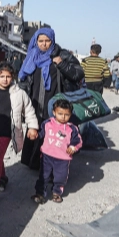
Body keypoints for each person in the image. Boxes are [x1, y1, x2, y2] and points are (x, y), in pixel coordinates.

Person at [18, 28, 84, 170]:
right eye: (40, 41)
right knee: (36, 128)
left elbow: (78, 74)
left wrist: (62, 64)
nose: (44, 44)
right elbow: (23, 80)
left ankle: (51, 165)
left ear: (52, 40)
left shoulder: (63, 55)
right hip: (35, 101)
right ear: (36, 41)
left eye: (47, 41)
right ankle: (34, 162)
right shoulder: (32, 56)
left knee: (53, 133)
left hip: (55, 101)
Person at [0, 63, 39, 205]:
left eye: (8, 76)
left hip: (7, 132)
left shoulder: (19, 94)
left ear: (13, 77)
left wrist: (33, 127)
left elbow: (29, 111)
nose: (5, 79)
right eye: (2, 76)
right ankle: (2, 177)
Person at [31, 99, 83, 204]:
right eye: (60, 114)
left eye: (66, 115)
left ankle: (57, 192)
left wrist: (73, 147)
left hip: (63, 159)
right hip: (46, 156)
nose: (63, 117)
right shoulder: (47, 123)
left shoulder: (72, 128)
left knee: (61, 176)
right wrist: (35, 135)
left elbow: (78, 141)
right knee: (43, 176)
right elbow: (41, 133)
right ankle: (40, 193)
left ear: (70, 114)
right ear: (54, 112)